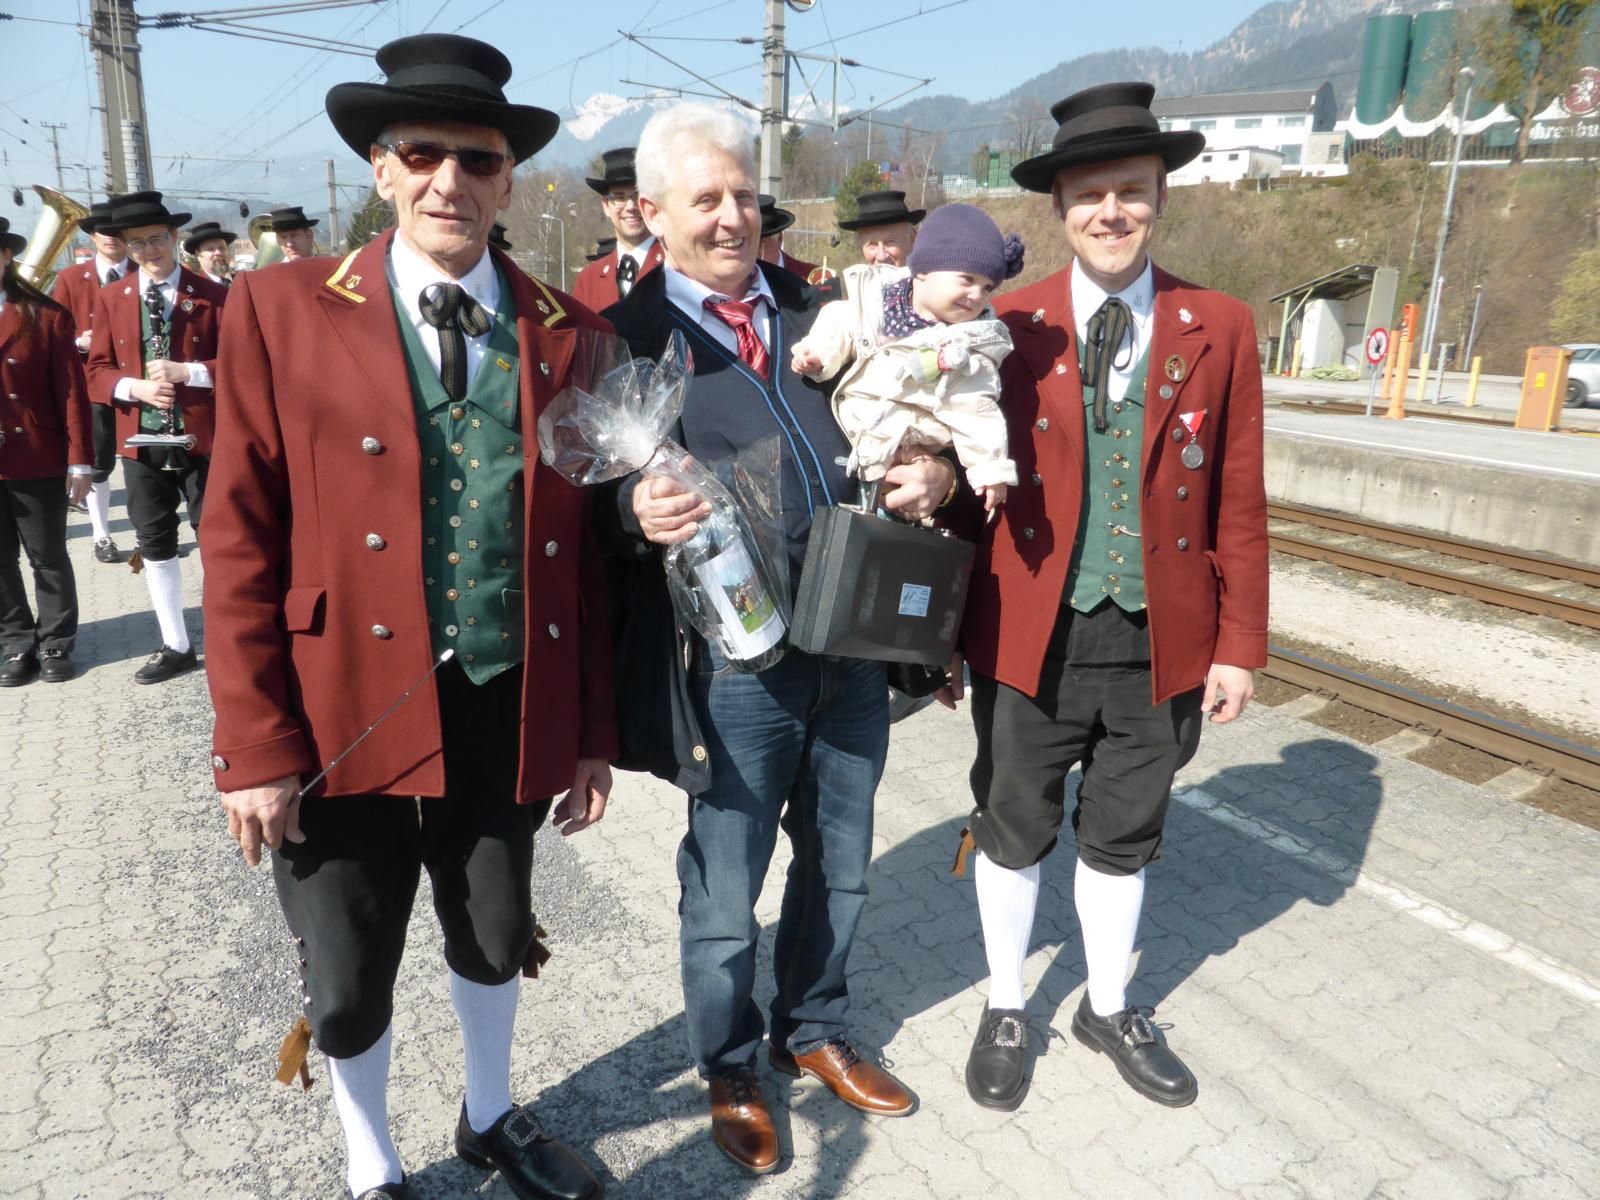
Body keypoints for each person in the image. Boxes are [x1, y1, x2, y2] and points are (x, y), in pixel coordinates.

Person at [203, 33, 615, 1200]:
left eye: (477, 159)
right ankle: (371, 1161)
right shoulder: (278, 307)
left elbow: (584, 559)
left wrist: (588, 732)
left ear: (509, 178)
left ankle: (488, 1116)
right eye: (422, 154)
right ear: (380, 168)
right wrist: (254, 745)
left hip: (501, 694)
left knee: (494, 931)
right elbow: (236, 535)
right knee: (346, 971)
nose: (449, 181)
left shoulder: (568, 329)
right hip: (337, 702)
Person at [598, 101, 956, 1177]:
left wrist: (935, 467)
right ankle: (729, 1063)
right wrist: (628, 512)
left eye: (745, 196)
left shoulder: (822, 309)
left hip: (851, 640)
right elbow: (574, 503)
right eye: (705, 198)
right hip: (734, 666)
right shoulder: (623, 339)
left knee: (841, 866)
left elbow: (922, 396)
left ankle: (814, 1029)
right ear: (653, 212)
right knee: (725, 888)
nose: (732, 217)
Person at [950, 82, 1268, 1113]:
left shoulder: (1221, 324)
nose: (1111, 212)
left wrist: (1238, 645)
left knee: (1124, 835)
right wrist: (938, 636)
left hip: (1159, 637)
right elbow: (955, 484)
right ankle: (1007, 1003)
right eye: (1090, 195)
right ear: (1059, 207)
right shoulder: (1005, 323)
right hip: (1027, 632)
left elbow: (1238, 496)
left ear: (1161, 196)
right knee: (1011, 825)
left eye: (1131, 190)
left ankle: (1108, 1003)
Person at [791, 203, 1022, 516]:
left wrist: (990, 468)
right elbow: (839, 321)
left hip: (903, 462)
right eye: (967, 280)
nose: (977, 296)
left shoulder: (966, 350)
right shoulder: (875, 299)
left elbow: (977, 410)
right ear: (924, 271)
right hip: (846, 445)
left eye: (987, 288)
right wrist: (818, 354)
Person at [85, 190, 228, 684]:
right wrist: (134, 387)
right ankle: (176, 643)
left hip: (204, 439)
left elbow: (245, 362)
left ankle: (229, 638)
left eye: (156, 239)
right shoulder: (112, 297)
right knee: (153, 540)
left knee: (217, 537)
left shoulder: (213, 294)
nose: (148, 250)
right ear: (126, 245)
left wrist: (189, 372)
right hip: (142, 441)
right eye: (137, 243)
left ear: (174, 237)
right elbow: (96, 371)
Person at [0, 217, 93, 685]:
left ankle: (56, 640)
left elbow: (72, 394)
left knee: (47, 555)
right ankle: (15, 642)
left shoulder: (47, 315)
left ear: (6, 257)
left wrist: (80, 461)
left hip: (35, 453)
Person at [50, 197, 130, 563]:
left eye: (116, 231)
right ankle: (101, 535)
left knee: (144, 459)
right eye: (102, 231)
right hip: (92, 383)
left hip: (136, 382)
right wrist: (77, 340)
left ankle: (150, 534)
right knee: (98, 461)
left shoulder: (141, 272)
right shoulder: (70, 278)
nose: (110, 237)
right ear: (93, 236)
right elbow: (54, 333)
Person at [570, 147, 664, 310]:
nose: (630, 206)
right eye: (619, 197)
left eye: (637, 196)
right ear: (606, 206)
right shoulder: (588, 281)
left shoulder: (677, 266)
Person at [838, 189, 923, 268]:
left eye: (890, 242)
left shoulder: (927, 278)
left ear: (912, 239)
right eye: (872, 245)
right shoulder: (852, 279)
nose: (882, 257)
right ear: (861, 247)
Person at [756, 195, 816, 280]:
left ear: (780, 239)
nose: (752, 250)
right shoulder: (737, 282)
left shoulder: (811, 277)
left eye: (760, 243)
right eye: (745, 242)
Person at [184, 220, 237, 285]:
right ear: (198, 254)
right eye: (210, 249)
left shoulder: (241, 282)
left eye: (222, 248)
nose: (218, 253)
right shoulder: (194, 286)